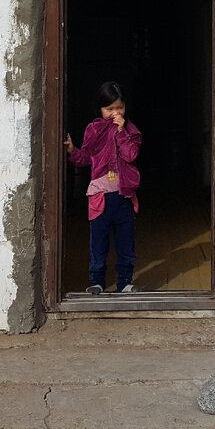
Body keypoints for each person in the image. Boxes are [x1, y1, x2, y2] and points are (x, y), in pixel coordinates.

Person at [65, 81, 142, 294]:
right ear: (100, 109)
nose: (115, 113)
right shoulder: (93, 129)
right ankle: (97, 281)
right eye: (109, 109)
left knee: (126, 243)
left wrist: (122, 131)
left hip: (124, 195)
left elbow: (131, 155)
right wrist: (72, 150)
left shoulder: (131, 130)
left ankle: (125, 282)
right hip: (100, 196)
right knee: (98, 242)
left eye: (119, 108)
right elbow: (87, 157)